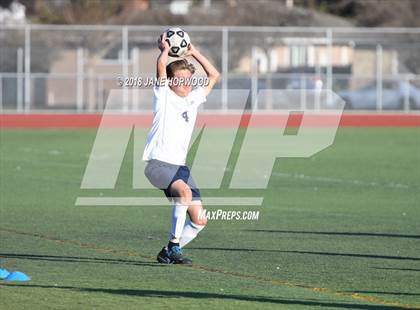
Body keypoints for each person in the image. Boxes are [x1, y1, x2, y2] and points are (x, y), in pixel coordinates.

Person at [143, 33, 220, 264]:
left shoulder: (193, 98)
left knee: (199, 220)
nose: (184, 83)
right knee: (184, 193)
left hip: (179, 168)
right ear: (170, 80)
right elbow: (160, 67)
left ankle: (167, 251)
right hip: (158, 164)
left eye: (188, 78)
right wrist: (164, 50)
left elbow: (214, 75)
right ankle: (175, 246)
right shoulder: (163, 96)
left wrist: (193, 51)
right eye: (179, 78)